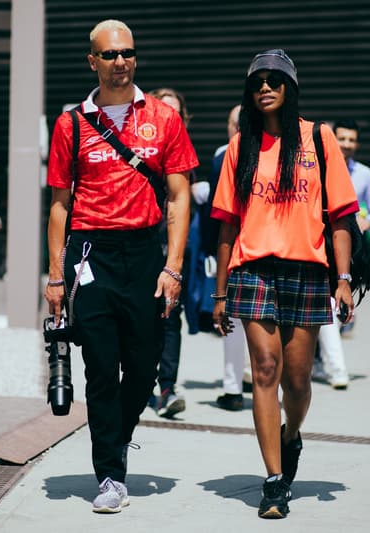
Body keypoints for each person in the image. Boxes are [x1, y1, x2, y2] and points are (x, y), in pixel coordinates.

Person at [44, 20, 197, 514]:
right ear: (92, 61)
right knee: (101, 368)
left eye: (127, 52)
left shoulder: (163, 118)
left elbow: (178, 198)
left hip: (144, 252)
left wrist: (173, 267)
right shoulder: (70, 123)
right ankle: (110, 473)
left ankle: (117, 434)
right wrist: (54, 275)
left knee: (146, 365)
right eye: (109, 54)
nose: (120, 61)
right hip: (91, 254)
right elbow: (60, 205)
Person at [211, 49, 358, 519]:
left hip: (308, 270)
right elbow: (227, 225)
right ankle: (273, 481)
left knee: (297, 379)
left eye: (275, 80)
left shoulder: (319, 138)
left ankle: (292, 433)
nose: (265, 88)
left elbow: (340, 217)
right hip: (253, 269)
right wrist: (219, 292)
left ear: (290, 87)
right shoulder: (241, 146)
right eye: (258, 82)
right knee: (266, 369)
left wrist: (344, 280)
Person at [314, 119, 370, 389]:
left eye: (351, 140)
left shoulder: (364, 175)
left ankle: (325, 363)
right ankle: (334, 367)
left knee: (334, 309)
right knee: (326, 308)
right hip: (319, 247)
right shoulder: (316, 167)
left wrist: (368, 223)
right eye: (341, 139)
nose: (346, 145)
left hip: (348, 251)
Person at [147, 87, 191, 418]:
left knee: (170, 316)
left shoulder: (185, 156)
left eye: (176, 113)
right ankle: (140, 380)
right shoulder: (141, 150)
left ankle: (167, 386)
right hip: (141, 243)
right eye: (165, 110)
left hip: (173, 247)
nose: (170, 118)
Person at [203, 104, 251, 411]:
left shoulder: (224, 155)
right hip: (267, 248)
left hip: (233, 249)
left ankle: (233, 389)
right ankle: (277, 392)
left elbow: (215, 211)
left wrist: (211, 251)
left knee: (232, 323)